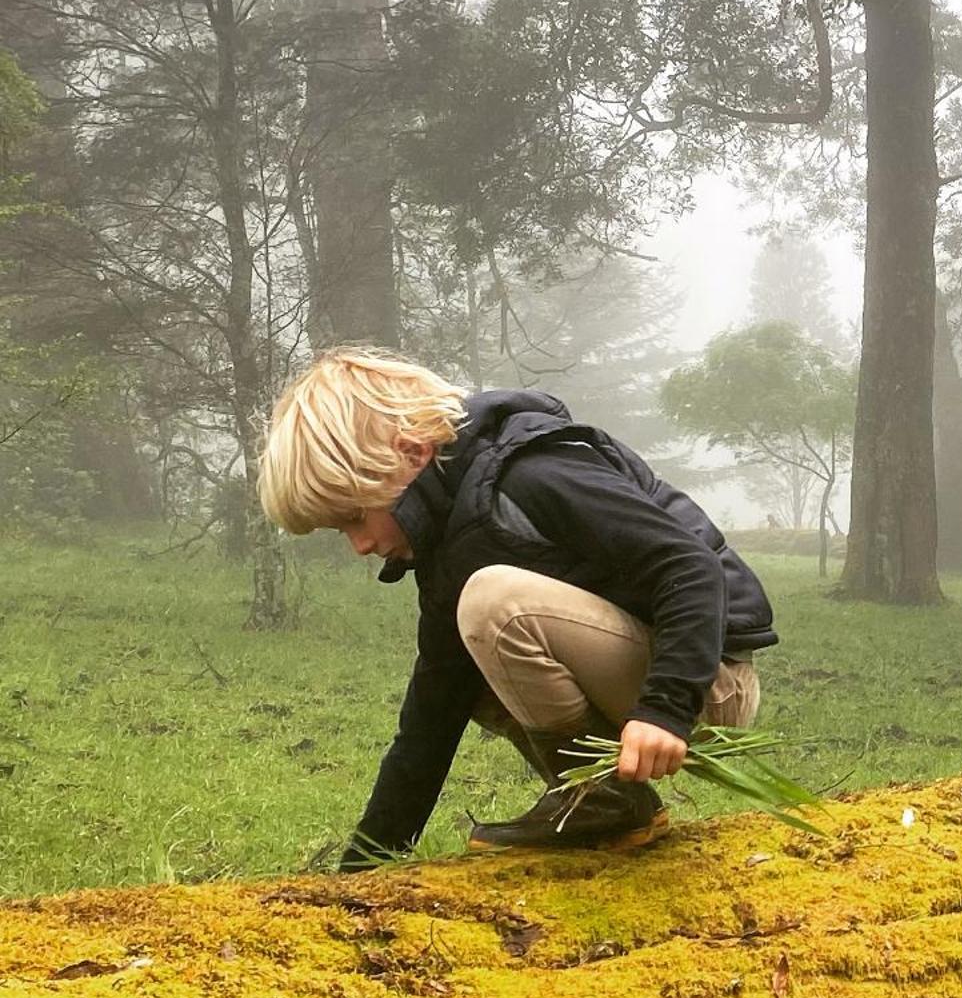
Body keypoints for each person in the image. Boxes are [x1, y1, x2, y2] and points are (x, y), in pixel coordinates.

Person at [258, 349, 777, 868]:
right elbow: (430, 719)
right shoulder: (450, 542)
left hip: (708, 680)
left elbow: (688, 568)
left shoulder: (531, 472)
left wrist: (665, 708)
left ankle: (605, 800)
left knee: (494, 604)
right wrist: (364, 866)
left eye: (354, 517)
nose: (360, 546)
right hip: (650, 681)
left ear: (411, 454)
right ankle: (602, 801)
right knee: (460, 665)